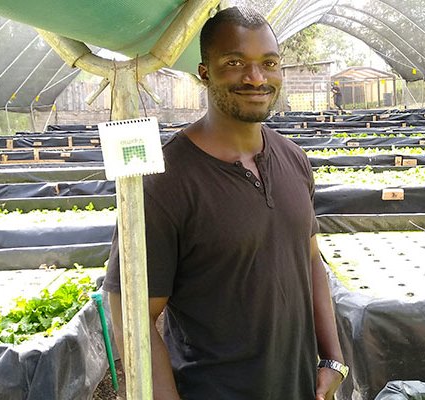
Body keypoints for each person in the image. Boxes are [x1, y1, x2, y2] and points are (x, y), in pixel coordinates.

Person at [103, 6, 347, 400]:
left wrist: (333, 359)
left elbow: (310, 258)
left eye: (269, 63)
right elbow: (129, 314)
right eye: (234, 63)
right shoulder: (165, 181)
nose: (255, 78)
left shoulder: (293, 159)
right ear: (204, 71)